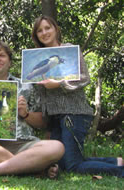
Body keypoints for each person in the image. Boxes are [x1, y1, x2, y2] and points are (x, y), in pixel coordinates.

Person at [31, 15, 124, 177]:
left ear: (56, 29)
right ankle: (115, 162)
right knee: (63, 162)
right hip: (54, 117)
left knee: (73, 165)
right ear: (36, 35)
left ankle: (119, 170)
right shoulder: (36, 58)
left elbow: (84, 77)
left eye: (48, 28)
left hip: (74, 115)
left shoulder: (69, 50)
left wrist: (59, 83)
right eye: (40, 30)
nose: (44, 32)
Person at [0, 40, 64, 179]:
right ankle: (31, 168)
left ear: (9, 62)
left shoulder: (26, 87)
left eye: (2, 55)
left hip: (24, 145)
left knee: (57, 147)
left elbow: (42, 123)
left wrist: (26, 114)